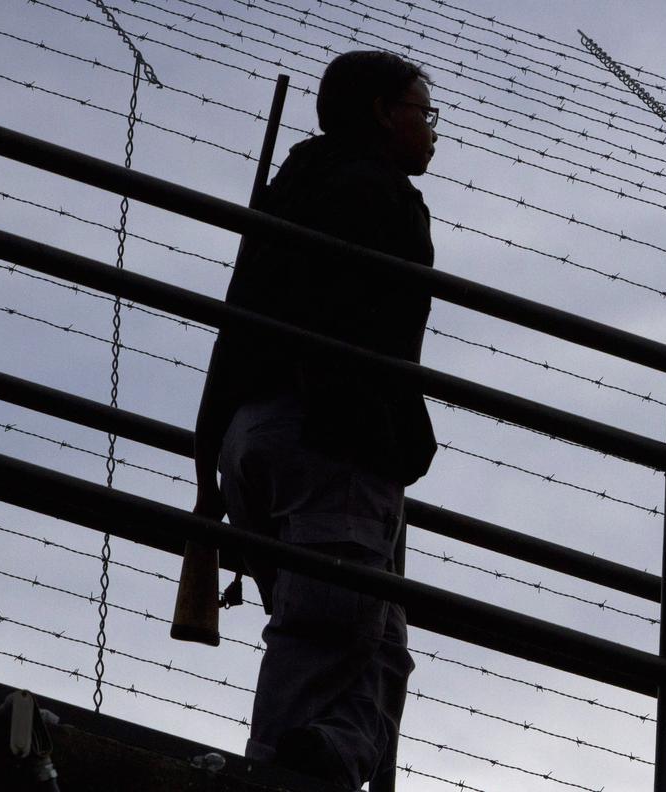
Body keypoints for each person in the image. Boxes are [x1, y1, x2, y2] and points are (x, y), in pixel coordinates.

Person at [191, 50, 440, 790]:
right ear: (380, 114)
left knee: (377, 644)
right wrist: (389, 438)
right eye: (422, 113)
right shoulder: (380, 194)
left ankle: (324, 760)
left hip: (249, 439)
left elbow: (238, 320)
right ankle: (281, 775)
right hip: (332, 440)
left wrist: (207, 461)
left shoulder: (290, 189)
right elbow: (376, 337)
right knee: (327, 633)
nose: (430, 131)